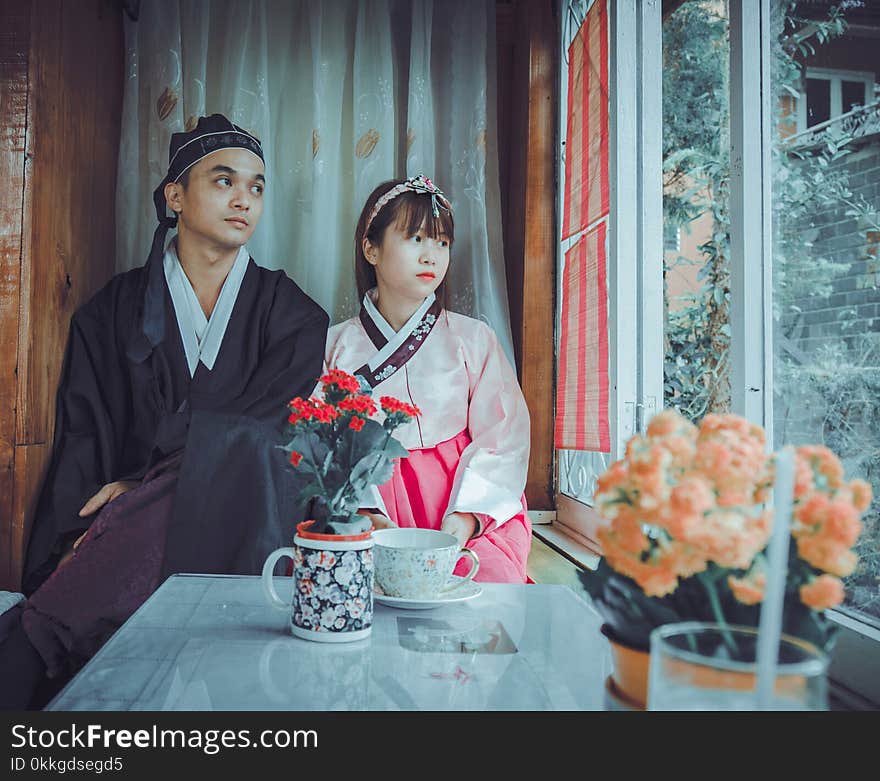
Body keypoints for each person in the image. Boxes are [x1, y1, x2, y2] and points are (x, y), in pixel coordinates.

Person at [0, 114, 329, 709]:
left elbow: (265, 438)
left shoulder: (294, 316)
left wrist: (143, 486)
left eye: (257, 186)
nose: (244, 199)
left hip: (247, 520)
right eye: (223, 181)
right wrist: (80, 531)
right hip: (146, 532)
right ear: (175, 195)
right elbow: (86, 436)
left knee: (249, 453)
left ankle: (38, 634)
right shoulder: (111, 313)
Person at [324, 175, 532, 583]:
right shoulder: (336, 346)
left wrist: (466, 517)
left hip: (462, 498)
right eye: (415, 238)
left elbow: (503, 434)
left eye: (442, 243)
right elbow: (325, 440)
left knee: (483, 579)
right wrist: (365, 512)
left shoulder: (473, 339)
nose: (431, 256)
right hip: (371, 501)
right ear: (371, 248)